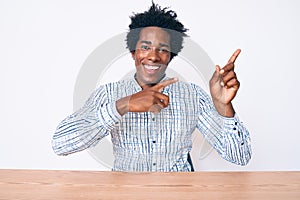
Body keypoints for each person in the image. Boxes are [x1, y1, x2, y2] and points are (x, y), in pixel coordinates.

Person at [52, 2, 251, 172]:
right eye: (145, 47)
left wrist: (223, 106)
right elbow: (61, 144)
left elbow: (240, 156)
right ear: (133, 52)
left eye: (163, 50)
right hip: (126, 194)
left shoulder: (193, 96)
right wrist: (123, 105)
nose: (153, 56)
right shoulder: (109, 94)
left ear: (171, 55)